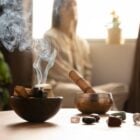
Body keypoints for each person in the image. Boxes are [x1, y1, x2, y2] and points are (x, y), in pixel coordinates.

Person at [44, 0, 92, 84]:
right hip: (58, 86)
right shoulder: (50, 37)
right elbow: (57, 70)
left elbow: (88, 70)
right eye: (68, 5)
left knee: (120, 88)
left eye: (74, 4)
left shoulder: (82, 42)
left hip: (82, 88)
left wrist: (87, 87)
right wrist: (81, 83)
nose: (72, 8)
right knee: (100, 95)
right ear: (58, 10)